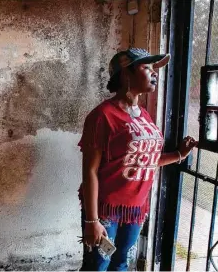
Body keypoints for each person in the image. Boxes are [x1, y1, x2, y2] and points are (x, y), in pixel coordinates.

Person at [77, 48, 198, 271]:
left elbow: (144, 159)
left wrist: (179, 155)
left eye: (154, 69)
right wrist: (92, 221)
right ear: (126, 75)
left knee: (122, 263)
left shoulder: (143, 114)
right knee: (97, 265)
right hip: (105, 209)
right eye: (146, 68)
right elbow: (90, 171)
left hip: (136, 208)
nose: (154, 74)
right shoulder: (102, 115)